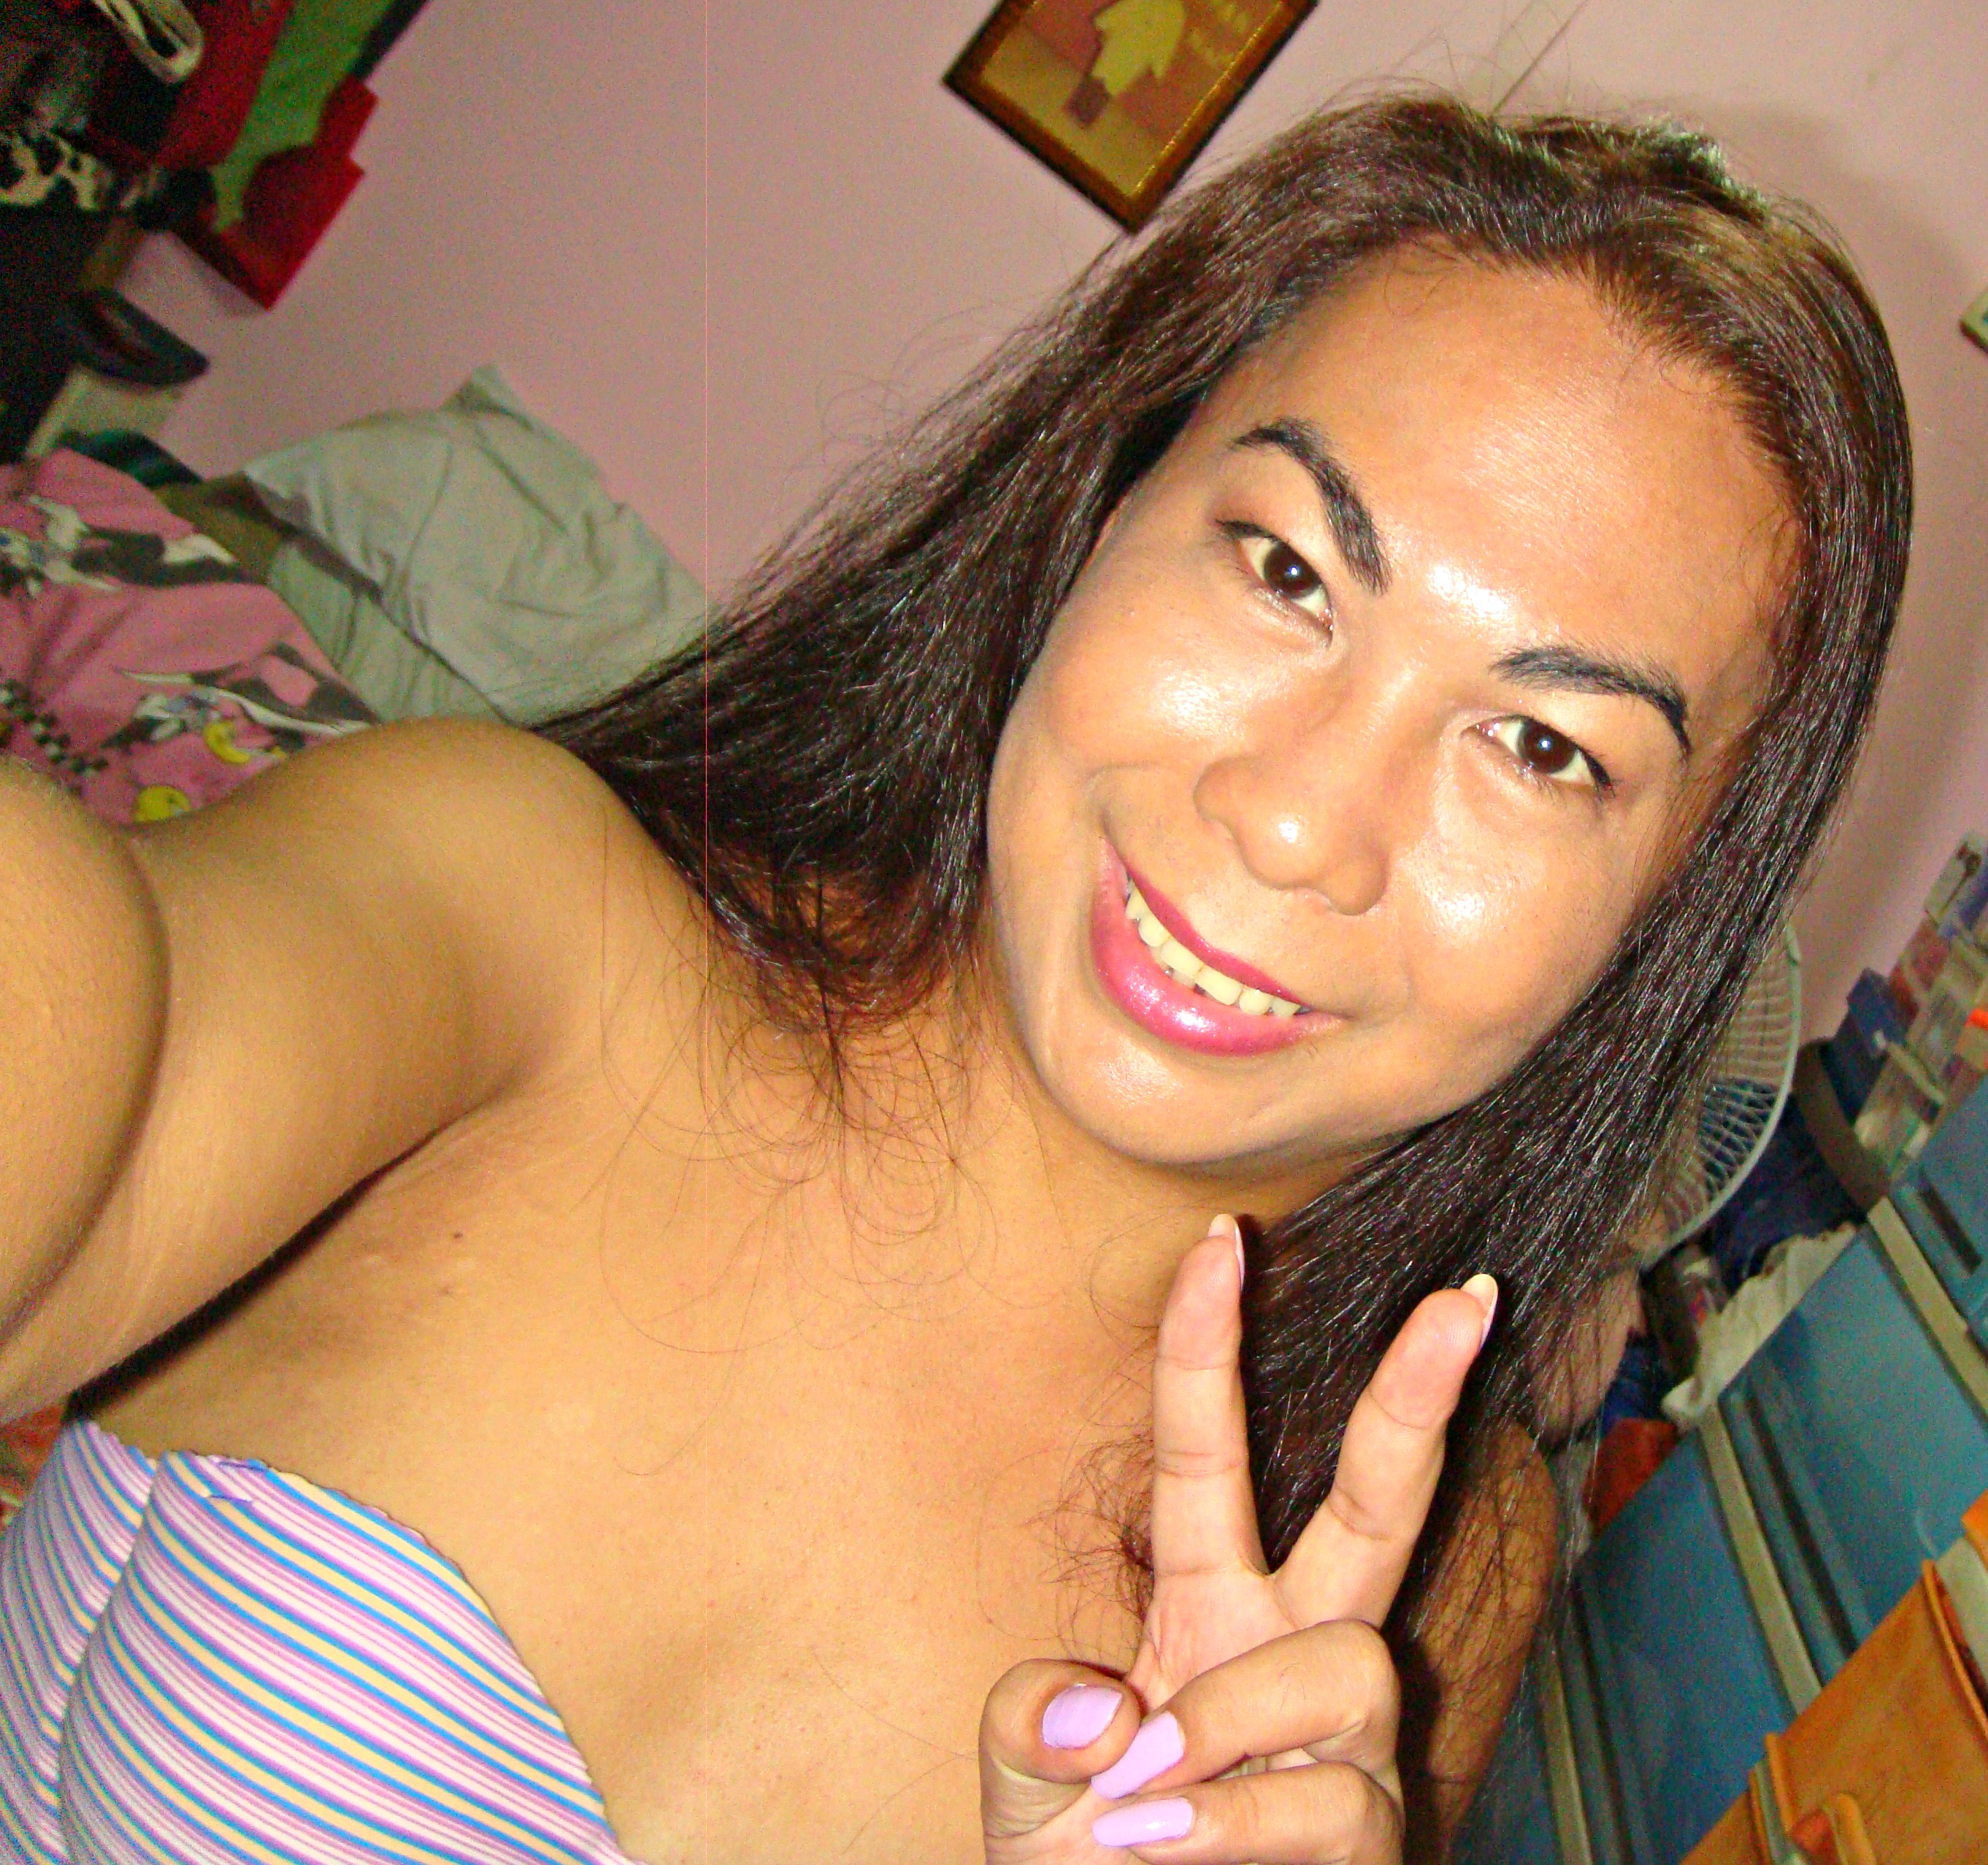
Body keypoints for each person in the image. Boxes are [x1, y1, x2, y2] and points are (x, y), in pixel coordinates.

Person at [0, 93, 1907, 1864]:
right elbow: (96, 1031)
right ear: (1101, 509)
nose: (1296, 821)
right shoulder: (517, 922)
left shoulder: (1428, 1554)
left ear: (1663, 922)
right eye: (1283, 571)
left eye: (1544, 748)